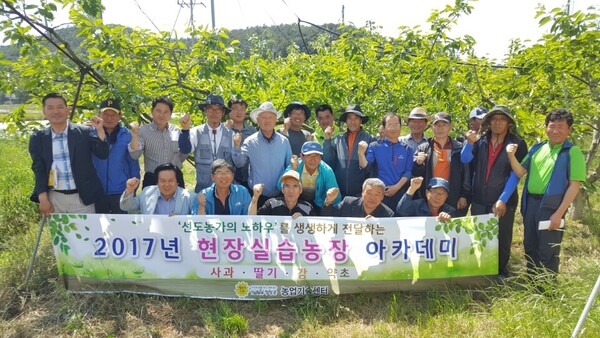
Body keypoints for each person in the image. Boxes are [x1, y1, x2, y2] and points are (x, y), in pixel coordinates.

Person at [494, 108, 585, 277]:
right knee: (530, 246)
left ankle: (547, 291)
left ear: (569, 129)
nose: (555, 130)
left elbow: (574, 185)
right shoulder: (537, 148)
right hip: (531, 205)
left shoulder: (572, 152)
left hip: (552, 207)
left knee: (548, 250)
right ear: (546, 127)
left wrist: (559, 214)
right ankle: (533, 284)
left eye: (560, 127)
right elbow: (520, 172)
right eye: (552, 126)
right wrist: (511, 156)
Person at [461, 104, 527, 278]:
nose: (497, 123)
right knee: (479, 234)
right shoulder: (480, 140)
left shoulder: (517, 143)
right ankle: (481, 268)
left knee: (502, 237)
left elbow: (516, 175)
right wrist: (469, 143)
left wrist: (503, 199)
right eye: (494, 119)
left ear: (509, 123)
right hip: (479, 198)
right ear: (488, 122)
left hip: (503, 199)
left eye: (502, 119)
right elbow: (465, 158)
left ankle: (500, 272)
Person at [29, 93, 109, 217]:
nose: (56, 111)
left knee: (85, 235)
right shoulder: (38, 138)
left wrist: (100, 130)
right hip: (54, 198)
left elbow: (102, 154)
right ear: (44, 112)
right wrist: (42, 198)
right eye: (50, 108)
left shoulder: (84, 132)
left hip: (83, 198)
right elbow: (39, 169)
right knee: (60, 236)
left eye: (60, 107)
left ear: (68, 110)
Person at [232, 101, 292, 207]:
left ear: (275, 120)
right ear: (257, 120)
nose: (267, 121)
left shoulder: (284, 141)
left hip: (280, 193)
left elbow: (289, 166)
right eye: (263, 117)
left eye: (270, 117)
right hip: (257, 194)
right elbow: (239, 164)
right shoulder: (250, 141)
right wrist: (236, 148)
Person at [412, 112, 471, 216]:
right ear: (432, 127)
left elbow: (466, 174)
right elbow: (416, 174)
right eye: (437, 125)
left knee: (451, 228)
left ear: (450, 127)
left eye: (444, 125)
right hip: (431, 196)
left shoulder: (459, 148)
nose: (440, 128)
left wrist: (464, 195)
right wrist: (418, 164)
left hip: (453, 195)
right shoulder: (424, 148)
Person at [92, 99, 141, 214]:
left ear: (120, 116)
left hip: (120, 189)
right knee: (98, 228)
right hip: (97, 190)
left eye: (113, 114)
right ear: (99, 115)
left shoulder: (127, 135)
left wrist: (134, 187)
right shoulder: (90, 134)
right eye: (105, 114)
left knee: (121, 228)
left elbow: (133, 162)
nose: (109, 118)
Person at [128, 96, 189, 189]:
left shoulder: (175, 131)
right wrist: (135, 135)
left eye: (166, 112)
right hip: (153, 179)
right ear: (152, 111)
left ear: (171, 114)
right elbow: (135, 155)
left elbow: (181, 155)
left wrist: (185, 130)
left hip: (175, 178)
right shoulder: (143, 131)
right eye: (158, 111)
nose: (162, 115)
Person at [179, 94, 234, 193]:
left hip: (225, 189)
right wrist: (185, 129)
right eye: (210, 109)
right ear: (205, 111)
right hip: (202, 188)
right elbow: (185, 149)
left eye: (218, 110)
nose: (214, 113)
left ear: (223, 112)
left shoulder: (231, 134)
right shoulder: (195, 132)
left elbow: (237, 161)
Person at [358, 113, 413, 210]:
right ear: (383, 127)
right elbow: (366, 167)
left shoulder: (407, 148)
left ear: (400, 127)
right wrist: (361, 153)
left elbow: (408, 172)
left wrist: (396, 187)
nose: (393, 128)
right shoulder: (375, 146)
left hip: (400, 193)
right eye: (390, 125)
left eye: (396, 125)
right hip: (379, 195)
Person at [323, 104, 375, 198]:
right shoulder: (338, 139)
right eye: (349, 118)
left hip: (360, 193)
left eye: (356, 118)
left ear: (361, 120)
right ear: (346, 121)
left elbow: (371, 169)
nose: (352, 121)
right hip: (339, 192)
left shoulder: (369, 139)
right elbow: (328, 161)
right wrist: (327, 140)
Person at [284, 141, 341, 215]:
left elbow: (336, 198)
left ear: (321, 157)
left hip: (319, 203)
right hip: (297, 201)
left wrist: (330, 198)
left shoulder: (327, 171)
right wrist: (292, 169)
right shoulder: (295, 165)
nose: (313, 159)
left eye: (316, 156)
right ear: (301, 156)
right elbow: (280, 185)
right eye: (309, 155)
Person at [120, 163, 196, 215]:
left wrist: (181, 220)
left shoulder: (190, 198)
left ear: (177, 182)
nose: (166, 184)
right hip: (153, 236)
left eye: (170, 180)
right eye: (162, 181)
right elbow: (126, 207)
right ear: (157, 182)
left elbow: (199, 221)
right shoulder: (147, 192)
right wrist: (129, 190)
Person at [192, 159, 257, 215]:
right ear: (212, 176)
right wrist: (202, 206)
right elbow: (197, 223)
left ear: (232, 175)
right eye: (219, 172)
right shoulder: (204, 194)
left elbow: (249, 218)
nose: (224, 176)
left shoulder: (242, 192)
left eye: (227, 172)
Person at [225, 97, 256, 191]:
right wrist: (227, 131)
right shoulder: (223, 129)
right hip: (228, 178)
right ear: (229, 111)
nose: (239, 112)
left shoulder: (252, 131)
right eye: (235, 108)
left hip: (249, 177)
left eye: (242, 109)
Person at [321, 178, 395, 218]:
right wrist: (329, 201)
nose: (372, 198)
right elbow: (328, 218)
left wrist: (376, 226)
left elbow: (389, 238)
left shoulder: (388, 215)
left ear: (382, 197)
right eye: (369, 193)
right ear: (362, 193)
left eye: (377, 195)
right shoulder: (348, 203)